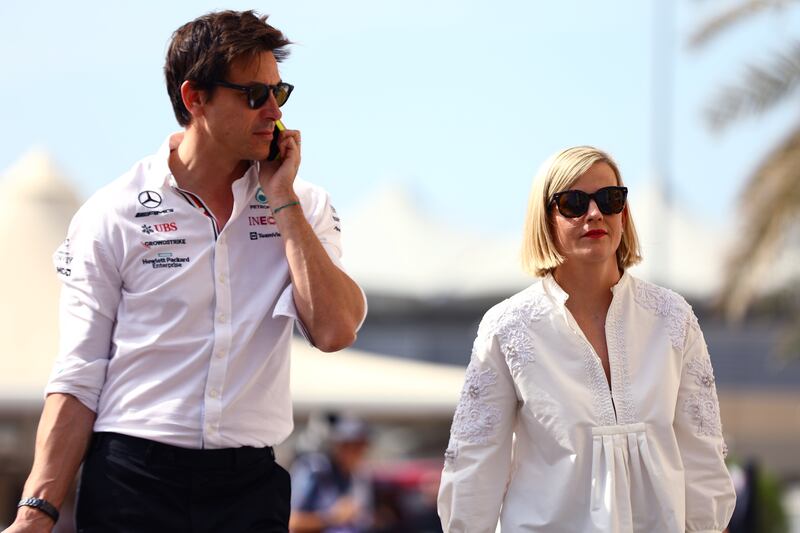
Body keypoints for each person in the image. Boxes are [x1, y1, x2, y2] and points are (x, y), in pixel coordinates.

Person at [6, 10, 366, 533]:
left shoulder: (304, 203)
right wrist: (35, 511)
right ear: (195, 97)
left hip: (250, 485)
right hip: (132, 478)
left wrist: (283, 200)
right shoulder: (112, 212)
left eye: (279, 93)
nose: (274, 112)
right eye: (254, 95)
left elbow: (336, 331)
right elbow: (79, 374)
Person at [437, 146, 736, 532]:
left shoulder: (673, 318)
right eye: (573, 203)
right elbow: (474, 468)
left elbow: (703, 458)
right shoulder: (506, 327)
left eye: (609, 199)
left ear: (623, 213)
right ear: (545, 219)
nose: (594, 213)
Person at [289, 414, 373, 533]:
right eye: (348, 445)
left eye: (360, 445)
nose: (355, 452)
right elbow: (291, 521)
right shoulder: (314, 470)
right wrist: (331, 518)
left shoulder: (359, 477)